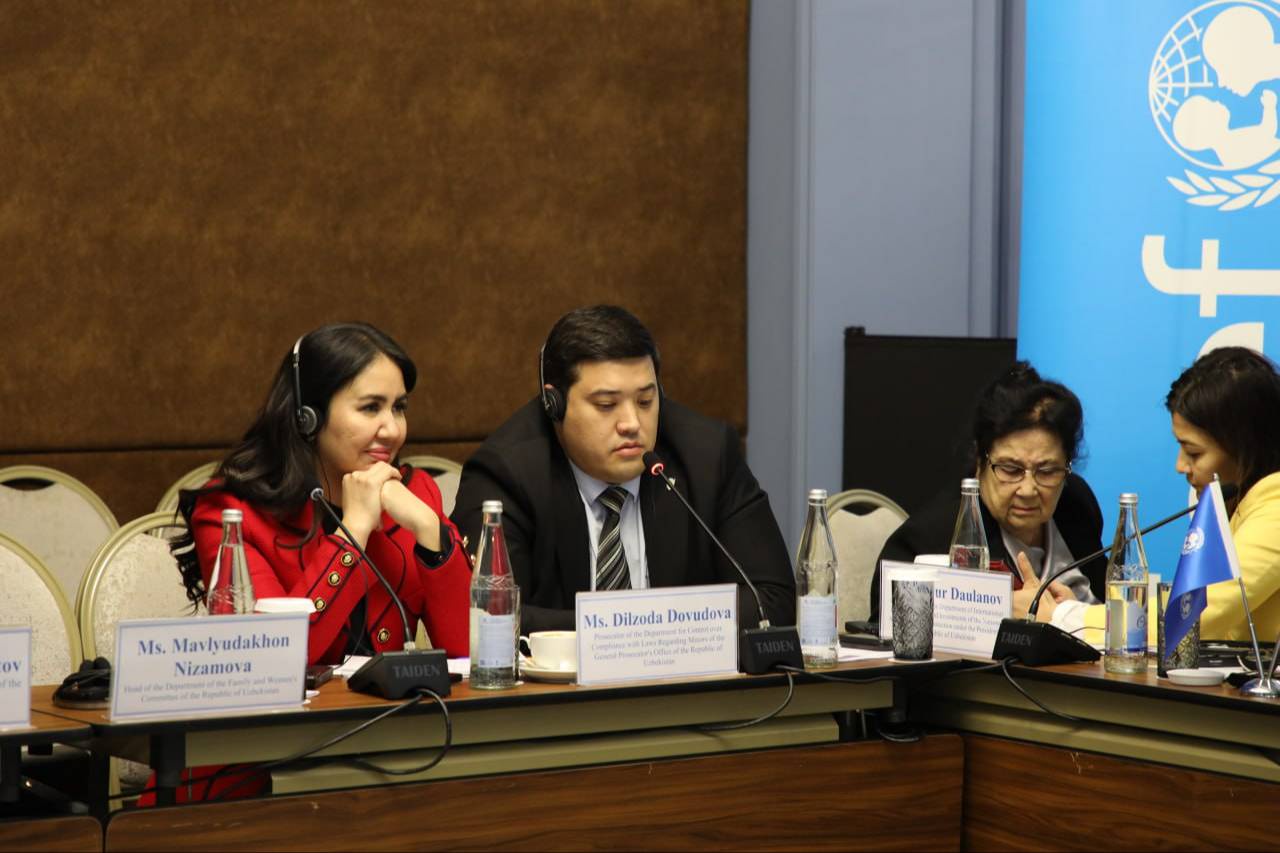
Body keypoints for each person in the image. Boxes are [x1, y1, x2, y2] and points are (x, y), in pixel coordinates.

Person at [159, 322, 470, 802]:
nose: (392, 429)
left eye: (399, 407)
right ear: (308, 417)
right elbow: (277, 661)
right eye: (371, 407)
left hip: (393, 758)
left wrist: (432, 534)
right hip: (256, 770)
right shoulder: (232, 513)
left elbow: (474, 653)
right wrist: (354, 531)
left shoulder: (414, 495)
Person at [451, 305, 796, 633]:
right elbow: (491, 616)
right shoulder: (506, 474)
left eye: (645, 401)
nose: (632, 423)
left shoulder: (706, 456)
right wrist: (637, 632)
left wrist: (642, 633)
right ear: (553, 404)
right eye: (606, 405)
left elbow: (772, 600)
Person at [1036, 347, 1280, 642]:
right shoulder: (1243, 504)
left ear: (1244, 448)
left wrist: (1065, 617)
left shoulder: (1275, 509)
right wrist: (1076, 612)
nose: (1180, 466)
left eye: (1193, 452)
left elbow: (1195, 613)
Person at [872, 363, 1105, 621]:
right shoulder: (932, 537)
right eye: (1010, 469)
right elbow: (887, 626)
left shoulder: (1075, 504)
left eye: (1047, 471)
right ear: (980, 462)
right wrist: (996, 611)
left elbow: (1109, 602)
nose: (1028, 489)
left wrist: (1074, 616)